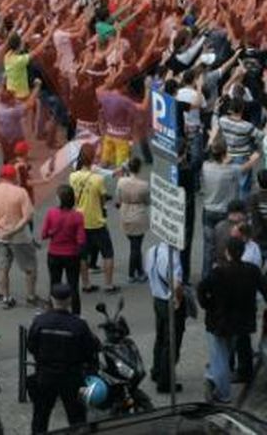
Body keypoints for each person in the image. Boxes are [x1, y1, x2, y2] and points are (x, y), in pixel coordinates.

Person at [197, 236, 267, 404]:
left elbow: (202, 289)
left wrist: (207, 305)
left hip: (220, 321)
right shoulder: (252, 270)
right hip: (241, 322)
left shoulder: (219, 272)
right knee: (226, 351)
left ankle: (223, 393)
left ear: (227, 252)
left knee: (219, 355)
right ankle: (216, 379)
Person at [26, 283, 100, 433]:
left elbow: (31, 346)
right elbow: (90, 349)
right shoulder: (78, 324)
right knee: (76, 417)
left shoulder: (40, 321)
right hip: (71, 377)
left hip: (45, 375)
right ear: (70, 300)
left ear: (51, 299)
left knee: (40, 416)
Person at [0, 165, 38, 309]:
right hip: (20, 237)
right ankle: (31, 296)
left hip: (0, 237)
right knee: (30, 267)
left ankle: (6, 297)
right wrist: (14, 230)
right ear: (14, 176)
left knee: (3, 268)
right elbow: (27, 216)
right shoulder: (20, 192)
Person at [70, 145, 116, 293]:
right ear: (92, 160)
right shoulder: (97, 179)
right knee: (108, 253)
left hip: (80, 221)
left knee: (83, 255)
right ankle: (108, 284)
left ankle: (86, 284)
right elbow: (102, 199)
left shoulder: (73, 177)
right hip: (96, 221)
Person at [144, 239, 186, 395]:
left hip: (157, 298)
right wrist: (179, 300)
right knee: (171, 342)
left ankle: (157, 370)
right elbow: (176, 284)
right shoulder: (173, 257)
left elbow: (147, 271)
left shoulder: (152, 250)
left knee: (160, 337)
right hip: (170, 301)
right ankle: (165, 381)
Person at [40, 184, 85, 315]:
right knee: (73, 286)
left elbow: (44, 235)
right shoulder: (78, 216)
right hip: (71, 254)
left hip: (54, 253)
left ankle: (53, 313)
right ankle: (76, 314)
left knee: (54, 284)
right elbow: (81, 239)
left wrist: (52, 232)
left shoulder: (51, 213)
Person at [115, 157, 150, 283]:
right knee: (136, 246)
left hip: (125, 213)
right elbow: (147, 201)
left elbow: (118, 198)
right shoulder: (144, 185)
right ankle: (133, 273)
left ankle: (139, 271)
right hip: (139, 214)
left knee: (135, 244)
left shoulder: (121, 182)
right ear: (139, 168)